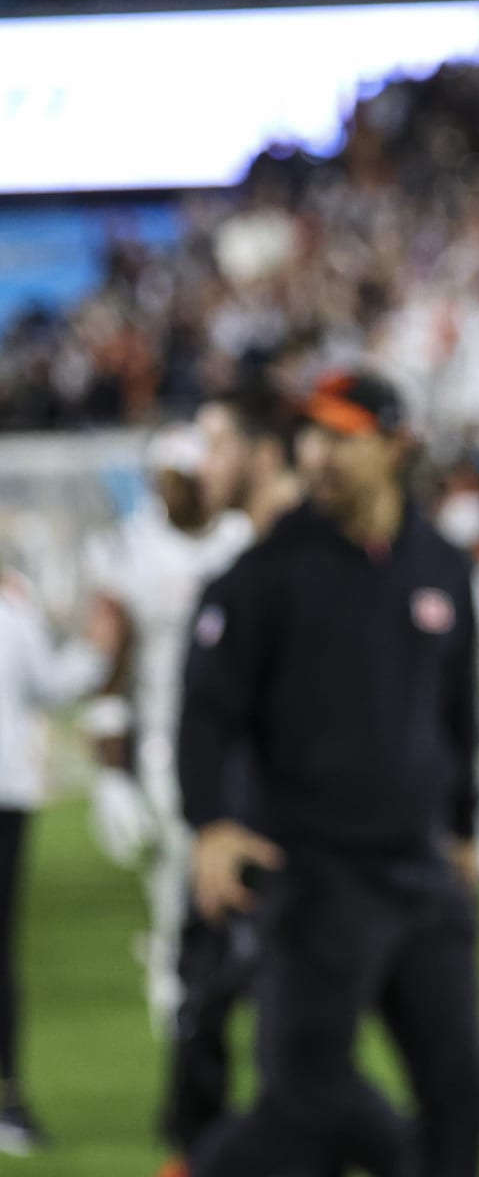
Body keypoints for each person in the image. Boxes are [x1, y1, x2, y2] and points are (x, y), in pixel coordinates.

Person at [178, 371, 479, 1177]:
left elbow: (457, 715)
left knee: (461, 1090)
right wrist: (209, 823)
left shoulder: (443, 567)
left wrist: (464, 832)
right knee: (309, 1095)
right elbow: (206, 711)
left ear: (396, 446)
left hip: (421, 874)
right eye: (310, 436)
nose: (318, 455)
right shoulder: (267, 572)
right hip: (313, 875)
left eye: (341, 437)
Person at [154, 385, 304, 1177]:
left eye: (215, 444)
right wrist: (209, 820)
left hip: (302, 835)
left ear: (263, 451)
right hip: (237, 824)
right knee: (210, 1006)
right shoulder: (236, 567)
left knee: (301, 1034)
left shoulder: (321, 562)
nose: (200, 464)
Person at [82, 423, 254, 1032]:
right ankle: (178, 981)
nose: (190, 486)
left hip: (242, 730)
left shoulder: (240, 539)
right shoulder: (130, 550)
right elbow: (111, 664)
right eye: (179, 475)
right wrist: (111, 769)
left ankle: (238, 973)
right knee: (179, 863)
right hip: (166, 732)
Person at [0, 569, 115, 1155]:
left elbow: (49, 684)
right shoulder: (13, 612)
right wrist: (96, 649)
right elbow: (52, 683)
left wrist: (96, 651)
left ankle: (8, 1101)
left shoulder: (14, 611)